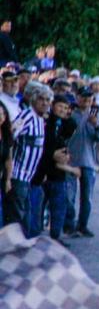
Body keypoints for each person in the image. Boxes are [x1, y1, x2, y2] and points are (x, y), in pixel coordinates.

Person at [32, 94, 77, 243]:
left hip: (59, 173)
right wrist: (53, 154)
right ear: (53, 106)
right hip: (44, 171)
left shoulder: (67, 124)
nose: (63, 110)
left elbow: (71, 130)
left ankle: (56, 237)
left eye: (66, 108)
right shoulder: (46, 122)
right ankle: (36, 236)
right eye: (60, 107)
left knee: (59, 206)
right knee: (39, 206)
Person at [5, 84, 50, 232]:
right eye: (41, 99)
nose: (44, 103)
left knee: (26, 220)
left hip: (28, 178)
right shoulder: (27, 117)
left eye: (47, 100)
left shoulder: (40, 119)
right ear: (34, 100)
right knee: (17, 220)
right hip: (18, 176)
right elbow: (10, 136)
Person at [65, 87, 99, 237]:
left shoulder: (94, 117)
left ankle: (83, 225)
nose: (86, 100)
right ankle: (69, 225)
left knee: (87, 197)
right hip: (71, 161)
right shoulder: (71, 116)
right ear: (77, 97)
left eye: (89, 98)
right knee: (69, 196)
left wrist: (96, 125)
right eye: (83, 97)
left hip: (88, 161)